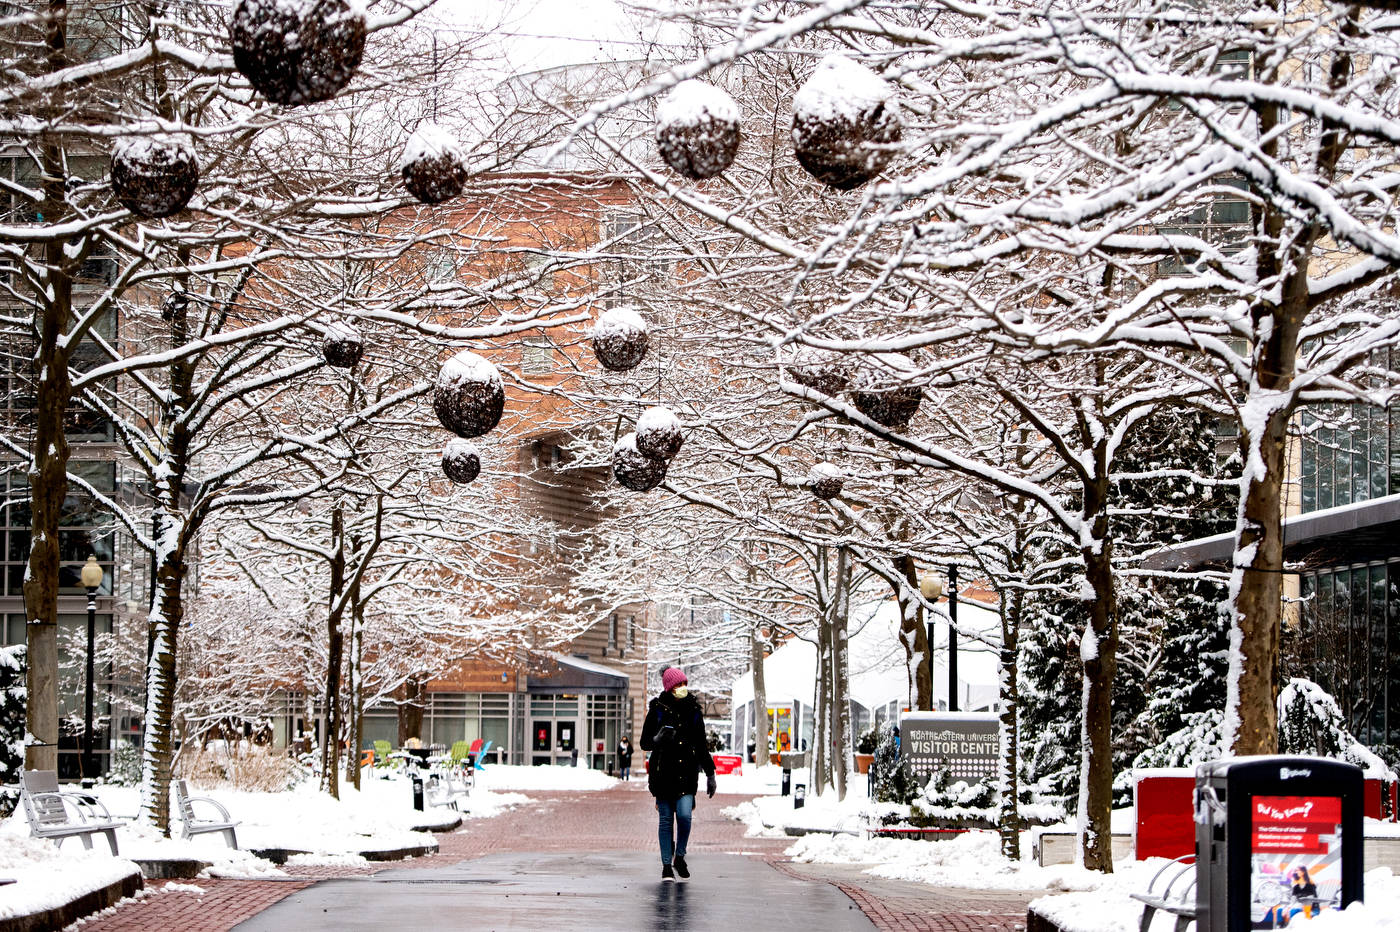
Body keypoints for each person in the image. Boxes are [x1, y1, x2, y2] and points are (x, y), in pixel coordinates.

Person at [640, 666, 716, 882]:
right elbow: (644, 742)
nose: (682, 688)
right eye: (678, 685)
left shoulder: (693, 710)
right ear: (669, 687)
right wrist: (657, 740)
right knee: (665, 819)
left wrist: (710, 773)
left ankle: (679, 856)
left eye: (684, 684)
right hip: (663, 773)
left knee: (684, 816)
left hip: (686, 773)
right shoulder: (657, 709)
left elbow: (701, 744)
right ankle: (666, 865)